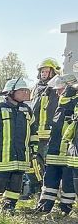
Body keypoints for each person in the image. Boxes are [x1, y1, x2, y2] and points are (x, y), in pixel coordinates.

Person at [0, 77, 37, 213]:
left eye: (26, 90)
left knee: (16, 182)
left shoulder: (27, 110)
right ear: (10, 92)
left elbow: (33, 131)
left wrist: (33, 149)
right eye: (22, 90)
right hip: (2, 157)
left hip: (20, 157)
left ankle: (9, 205)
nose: (25, 93)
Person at [36, 74, 78, 215]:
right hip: (54, 151)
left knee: (68, 183)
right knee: (49, 182)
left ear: (68, 88)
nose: (56, 92)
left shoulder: (73, 103)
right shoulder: (61, 105)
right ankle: (44, 207)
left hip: (67, 153)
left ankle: (66, 209)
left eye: (60, 90)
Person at [24, 58, 63, 198]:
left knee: (50, 164)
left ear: (53, 72)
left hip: (51, 134)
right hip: (36, 132)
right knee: (33, 162)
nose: (44, 73)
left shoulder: (56, 87)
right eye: (42, 71)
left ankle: (49, 191)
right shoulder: (36, 88)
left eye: (47, 71)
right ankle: (37, 188)